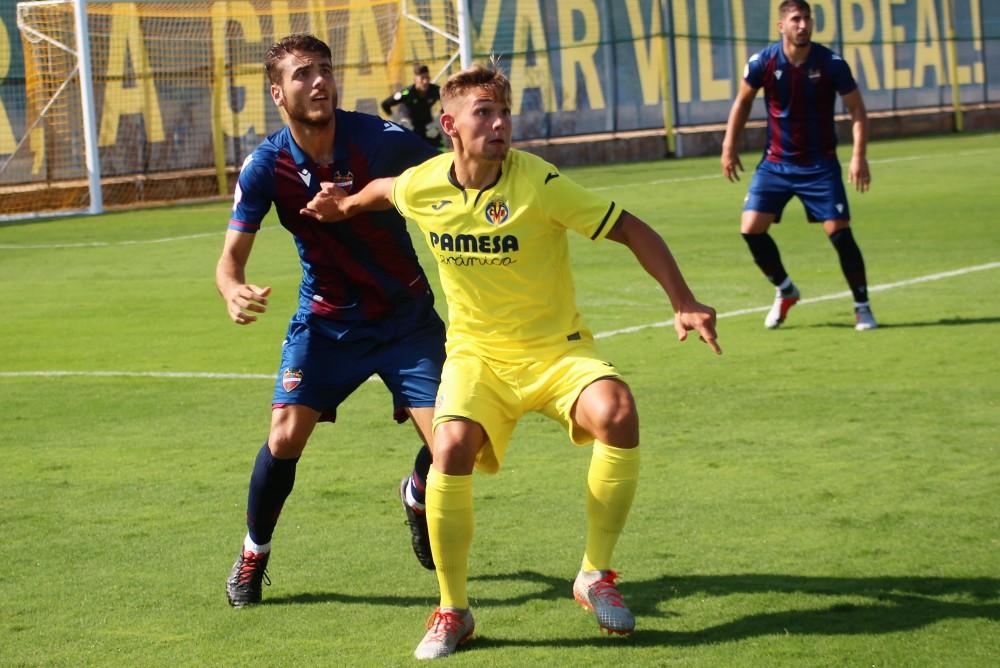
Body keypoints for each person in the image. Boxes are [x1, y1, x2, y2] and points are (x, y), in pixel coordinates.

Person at [302, 62, 721, 660]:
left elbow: (629, 227)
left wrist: (683, 300)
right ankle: (453, 611)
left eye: (504, 115)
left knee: (619, 411)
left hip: (556, 352)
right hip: (478, 359)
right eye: (484, 114)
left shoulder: (539, 183)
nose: (499, 125)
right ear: (449, 124)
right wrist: (343, 206)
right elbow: (384, 192)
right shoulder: (425, 184)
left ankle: (594, 575)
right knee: (448, 450)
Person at [216, 33, 446, 608]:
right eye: (302, 74)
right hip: (327, 322)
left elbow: (451, 173)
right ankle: (253, 554)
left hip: (404, 319)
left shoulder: (379, 138)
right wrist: (231, 288)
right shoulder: (267, 165)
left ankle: (418, 494)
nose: (318, 81)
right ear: (278, 93)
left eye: (325, 69)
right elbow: (229, 262)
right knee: (284, 436)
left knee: (453, 445)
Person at [721, 0, 877, 331]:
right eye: (795, 19)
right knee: (750, 229)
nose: (802, 24)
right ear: (782, 26)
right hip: (776, 164)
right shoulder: (763, 61)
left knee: (839, 233)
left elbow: (857, 111)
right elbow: (743, 102)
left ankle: (862, 306)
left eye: (807, 18)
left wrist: (858, 155)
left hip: (820, 165)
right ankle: (785, 289)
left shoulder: (831, 63)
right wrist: (729, 146)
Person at [381, 63, 442, 148]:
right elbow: (385, 104)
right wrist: (398, 121)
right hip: (410, 127)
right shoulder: (407, 93)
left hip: (428, 127)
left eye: (427, 78)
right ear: (415, 80)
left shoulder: (435, 90)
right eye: (422, 78)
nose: (425, 81)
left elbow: (448, 103)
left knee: (438, 147)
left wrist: (436, 122)